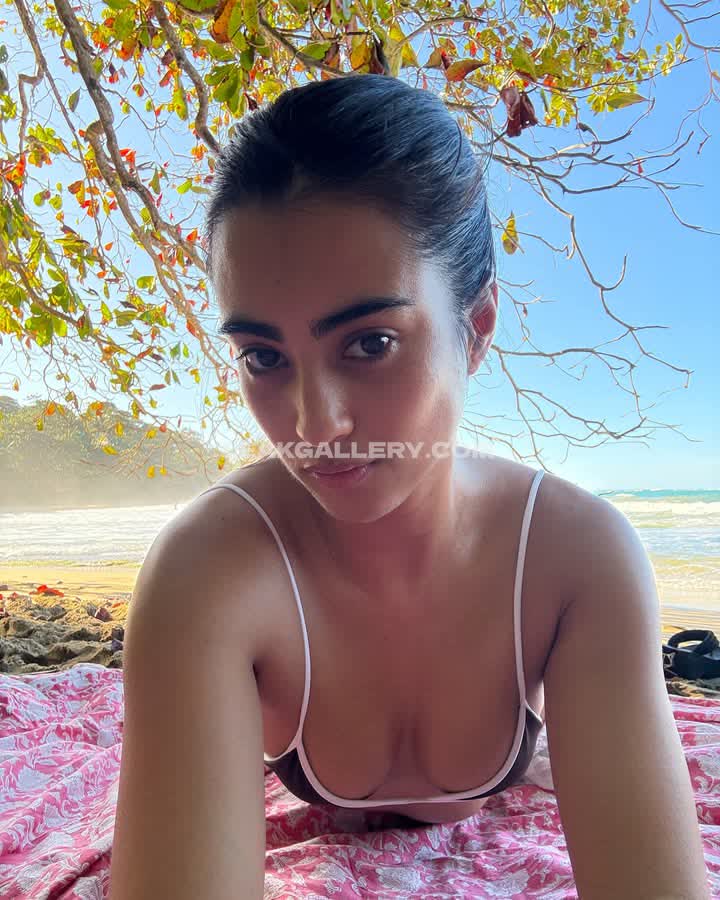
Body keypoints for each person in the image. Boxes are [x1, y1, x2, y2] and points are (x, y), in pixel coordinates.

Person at [108, 75, 710, 900]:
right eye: (263, 357)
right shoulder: (208, 573)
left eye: (370, 343)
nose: (316, 424)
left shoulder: (575, 560)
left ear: (478, 327)